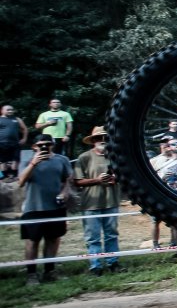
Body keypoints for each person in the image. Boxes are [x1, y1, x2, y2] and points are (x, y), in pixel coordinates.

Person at [18, 134, 72, 284]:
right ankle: (31, 274)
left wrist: (65, 193)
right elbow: (20, 181)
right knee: (32, 241)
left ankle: (49, 271)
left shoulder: (62, 160)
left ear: (53, 145)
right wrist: (33, 163)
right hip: (33, 207)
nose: (44, 147)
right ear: (34, 146)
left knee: (53, 239)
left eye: (47, 144)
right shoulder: (26, 159)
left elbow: (67, 181)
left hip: (55, 207)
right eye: (40, 145)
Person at [74, 127, 123, 276]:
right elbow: (77, 181)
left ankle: (113, 262)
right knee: (92, 237)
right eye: (98, 138)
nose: (102, 141)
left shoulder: (115, 157)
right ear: (93, 141)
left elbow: (124, 176)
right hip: (91, 203)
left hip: (111, 201)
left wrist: (115, 179)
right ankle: (95, 266)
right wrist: (97, 180)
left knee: (111, 234)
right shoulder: (84, 157)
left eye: (105, 138)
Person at [0, 104, 28, 179]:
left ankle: (14, 174)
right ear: (2, 111)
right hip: (1, 143)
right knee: (2, 160)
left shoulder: (17, 119)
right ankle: (4, 175)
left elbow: (24, 129)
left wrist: (24, 138)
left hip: (15, 143)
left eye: (12, 110)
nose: (10, 111)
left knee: (15, 159)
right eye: (8, 110)